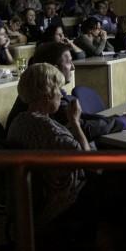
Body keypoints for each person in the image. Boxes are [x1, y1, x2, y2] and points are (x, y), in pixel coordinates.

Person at [6, 63, 93, 226]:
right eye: (59, 90)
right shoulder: (50, 131)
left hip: (29, 204)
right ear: (47, 94)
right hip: (61, 205)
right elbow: (89, 162)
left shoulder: (19, 121)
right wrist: (75, 122)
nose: (61, 95)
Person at [5, 42, 126, 140]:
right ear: (54, 68)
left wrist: (113, 119)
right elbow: (83, 129)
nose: (73, 67)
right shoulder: (47, 100)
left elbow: (83, 118)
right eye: (69, 62)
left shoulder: (33, 88)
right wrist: (121, 122)